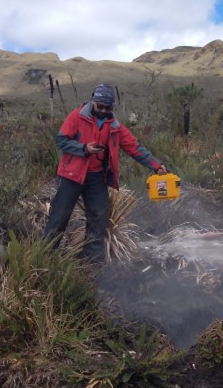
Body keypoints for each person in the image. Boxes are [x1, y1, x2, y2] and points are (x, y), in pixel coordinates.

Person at [42, 83, 167, 261]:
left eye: (107, 108)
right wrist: (84, 148)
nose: (102, 110)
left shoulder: (114, 126)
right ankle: (45, 257)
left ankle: (91, 262)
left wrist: (156, 165)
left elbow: (134, 147)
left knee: (98, 217)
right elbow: (61, 141)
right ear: (93, 101)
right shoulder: (76, 117)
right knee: (59, 216)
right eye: (99, 106)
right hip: (71, 175)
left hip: (96, 177)